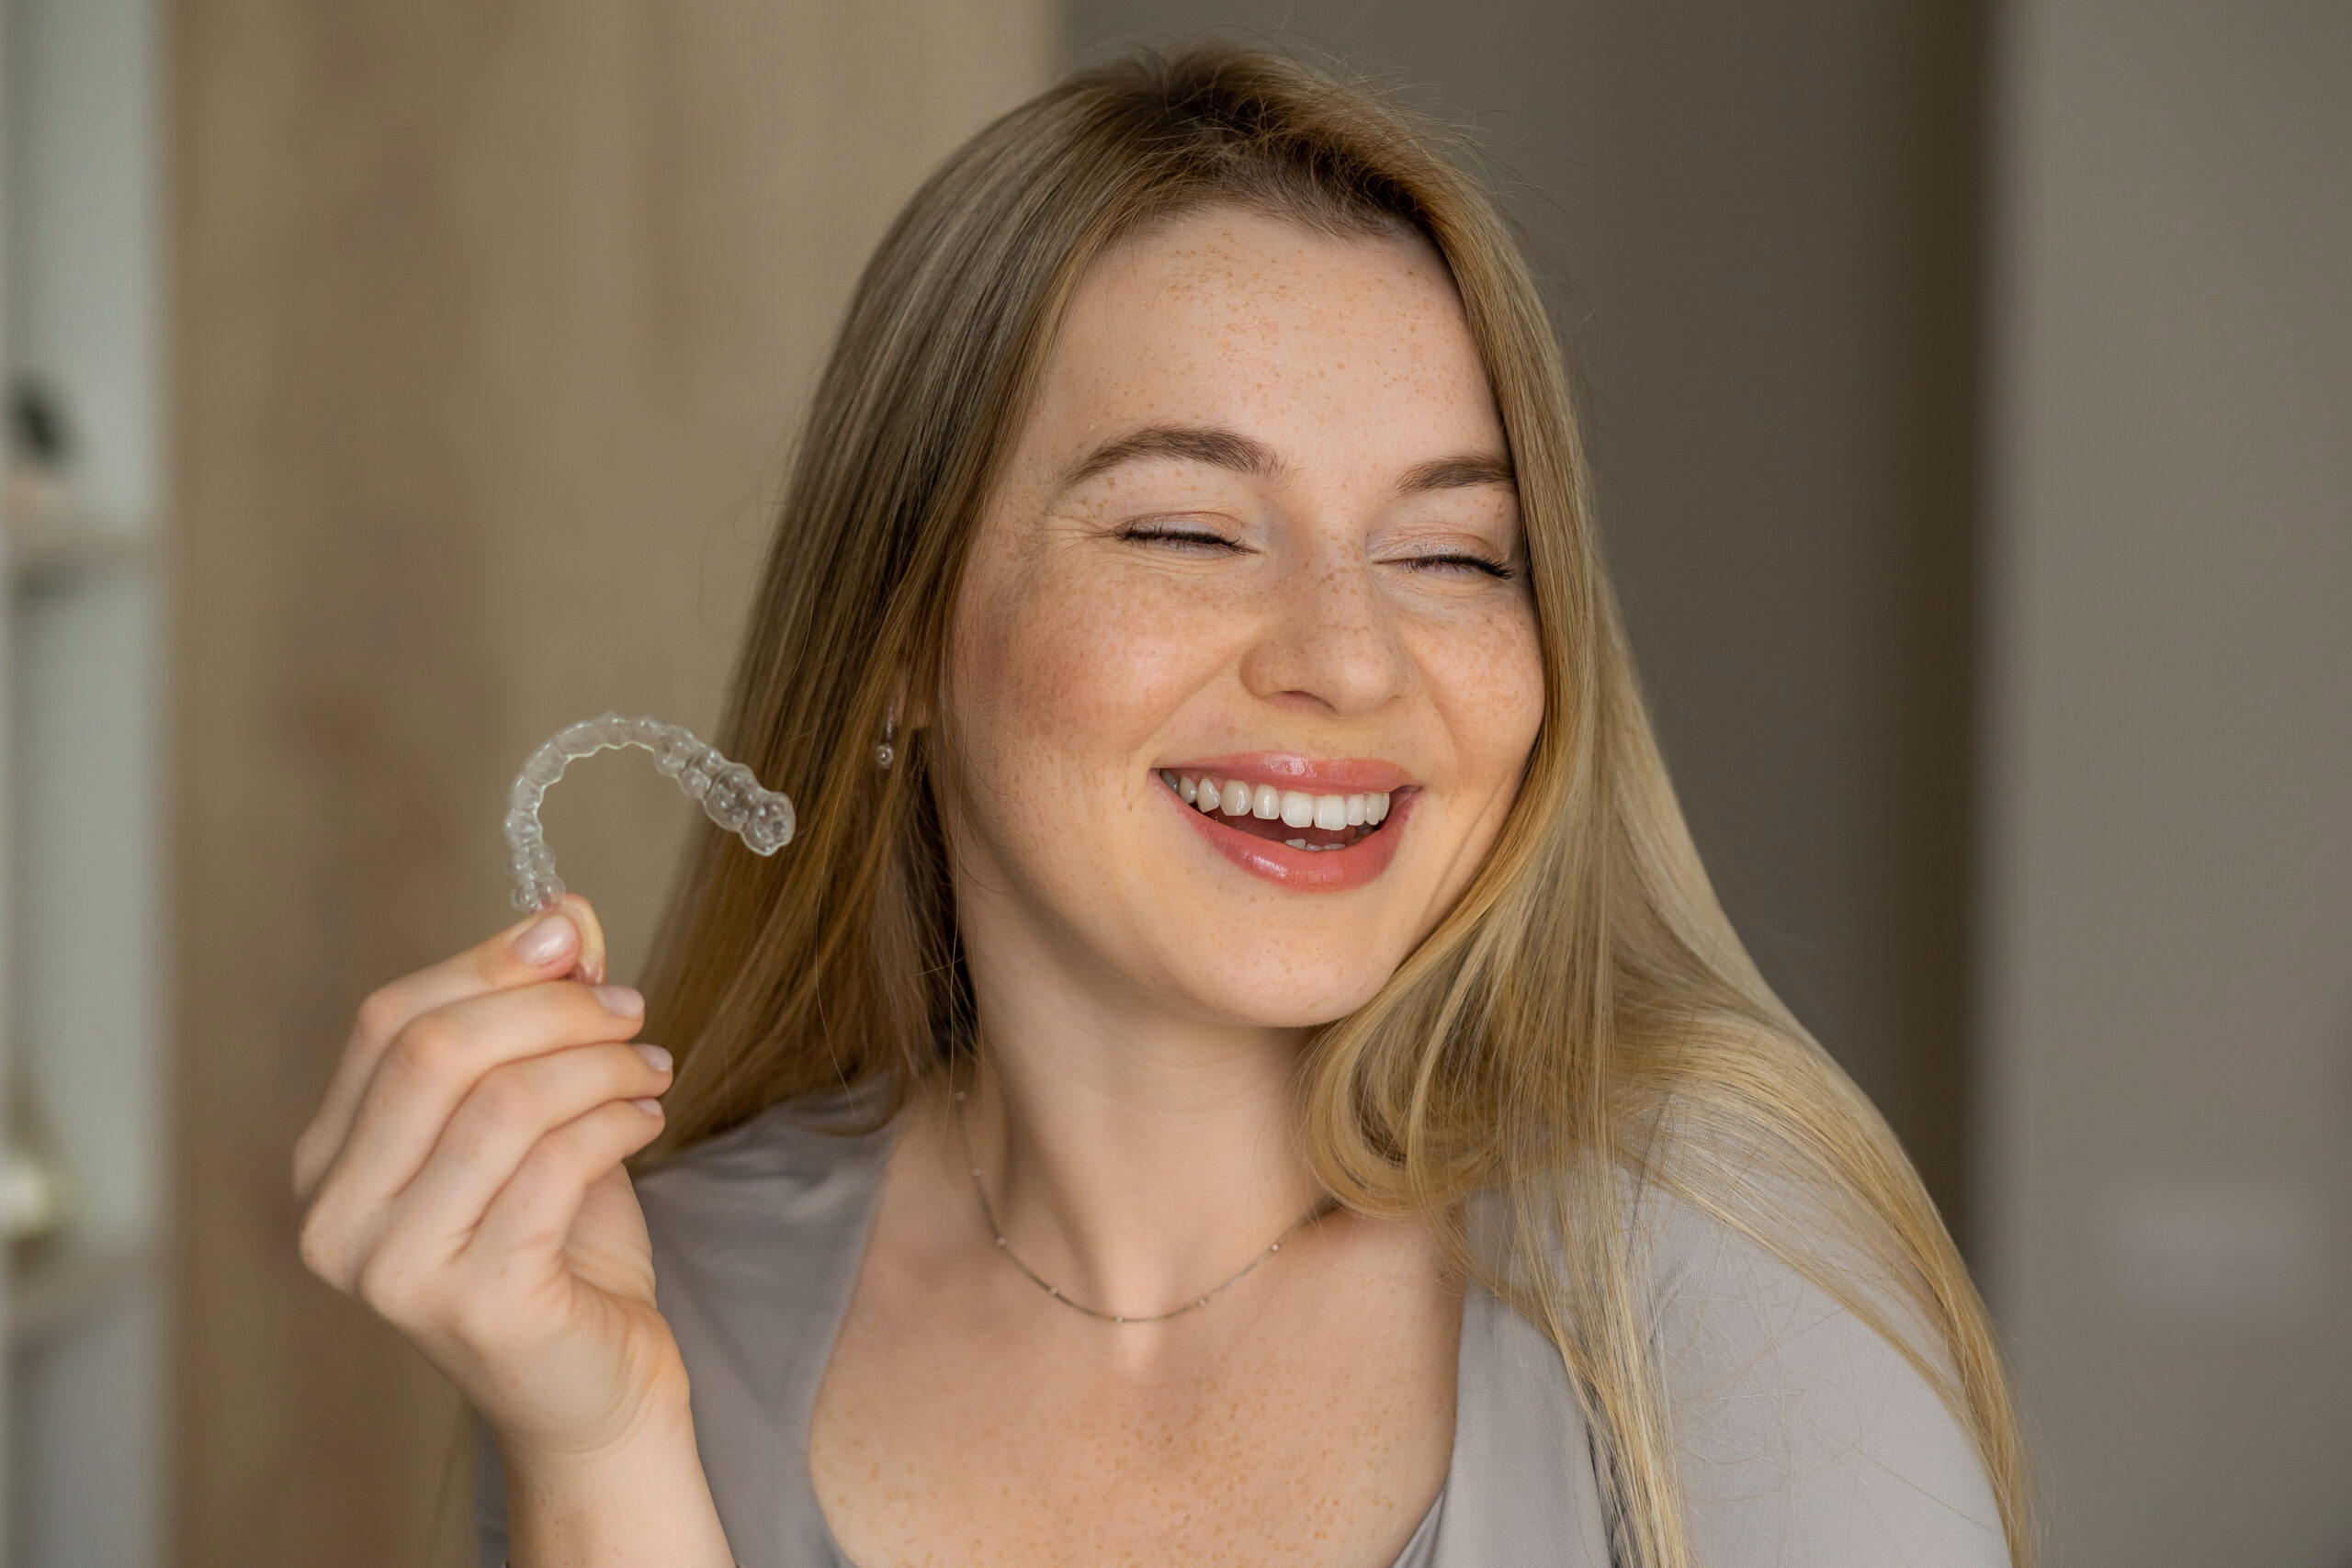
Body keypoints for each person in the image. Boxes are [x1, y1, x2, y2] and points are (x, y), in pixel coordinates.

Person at [292, 46, 2029, 1568]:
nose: (1352, 663)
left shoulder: (1718, 1255)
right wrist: (599, 1453)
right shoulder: (659, 1288)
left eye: (1453, 555)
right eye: (1187, 530)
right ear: (898, 632)